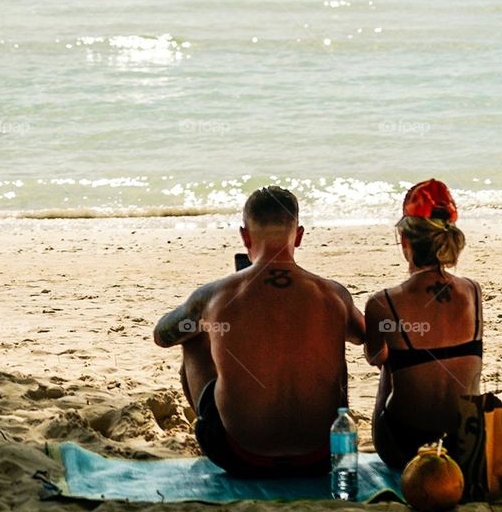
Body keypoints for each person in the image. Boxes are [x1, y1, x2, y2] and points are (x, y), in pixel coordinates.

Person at [154, 186, 365, 477]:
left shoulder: (215, 295)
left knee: (193, 336)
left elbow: (162, 334)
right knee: (329, 331)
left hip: (238, 457)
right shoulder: (333, 295)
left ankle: (209, 422)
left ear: (245, 237)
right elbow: (364, 337)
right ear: (299, 235)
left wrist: (212, 322)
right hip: (322, 455)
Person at [365, 180, 483, 470]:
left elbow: (374, 357)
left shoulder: (383, 303)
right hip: (465, 444)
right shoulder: (473, 291)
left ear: (405, 240)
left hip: (405, 447)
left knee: (389, 362)